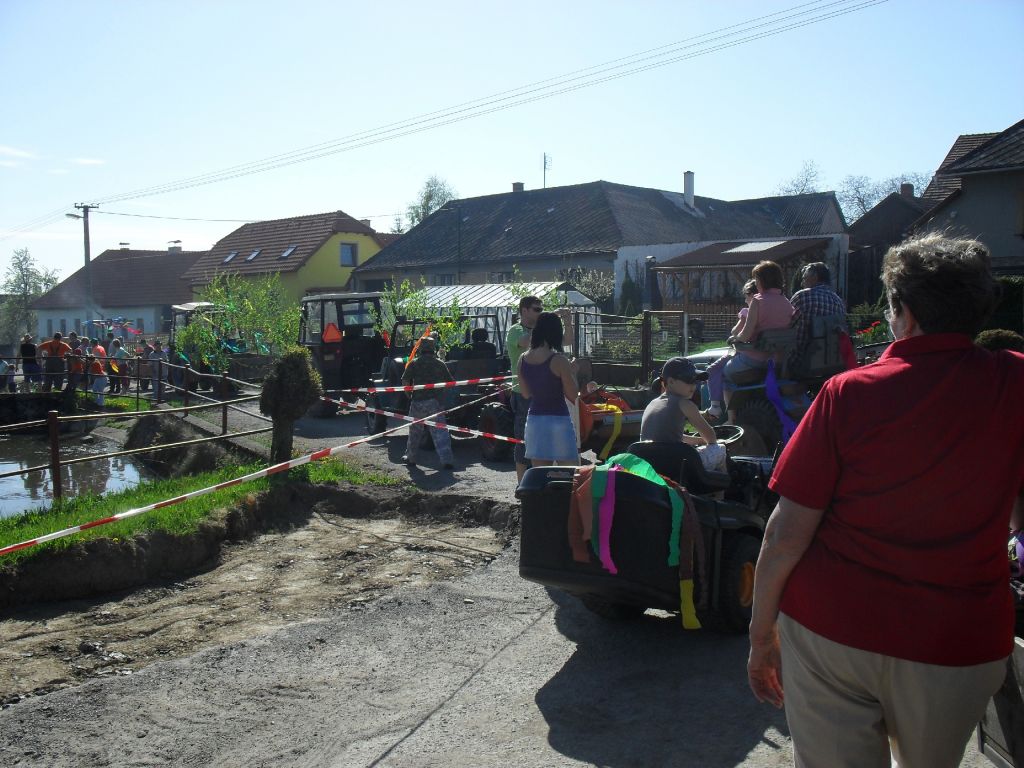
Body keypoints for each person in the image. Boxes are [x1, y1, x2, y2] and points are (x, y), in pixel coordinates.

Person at [747, 233, 1024, 767]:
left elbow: (784, 535)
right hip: (957, 640)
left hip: (834, 631)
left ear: (905, 313)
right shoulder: (1014, 381)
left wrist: (761, 638)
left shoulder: (849, 394)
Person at [723, 260, 795, 423]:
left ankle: (731, 419)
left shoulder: (757, 301)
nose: (755, 282)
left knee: (725, 373)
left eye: (756, 279)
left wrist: (735, 338)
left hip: (756, 360)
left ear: (762, 280)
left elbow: (746, 334)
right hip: (778, 361)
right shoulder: (786, 303)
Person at [517, 311, 579, 468]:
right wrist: (572, 372)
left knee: (540, 475)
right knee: (569, 474)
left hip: (534, 421)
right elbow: (573, 395)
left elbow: (526, 394)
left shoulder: (522, 359)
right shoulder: (559, 360)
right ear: (556, 333)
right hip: (559, 420)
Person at [703, 279, 757, 421]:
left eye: (746, 296)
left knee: (712, 370)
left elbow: (735, 331)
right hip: (758, 352)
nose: (745, 300)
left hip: (742, 351)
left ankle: (716, 406)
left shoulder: (746, 312)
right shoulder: (765, 312)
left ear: (752, 295)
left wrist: (735, 333)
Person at [401, 336, 456, 470]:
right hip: (436, 403)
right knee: (441, 432)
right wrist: (441, 393)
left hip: (417, 402)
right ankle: (446, 460)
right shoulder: (440, 364)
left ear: (420, 348)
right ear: (433, 349)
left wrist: (409, 395)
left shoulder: (414, 363)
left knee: (415, 432)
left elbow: (405, 381)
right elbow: (450, 383)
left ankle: (411, 458)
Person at [789, 261, 847, 371]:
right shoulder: (839, 301)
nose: (802, 283)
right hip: (832, 364)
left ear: (815, 277)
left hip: (801, 362)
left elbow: (787, 326)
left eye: (804, 278)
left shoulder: (802, 296)